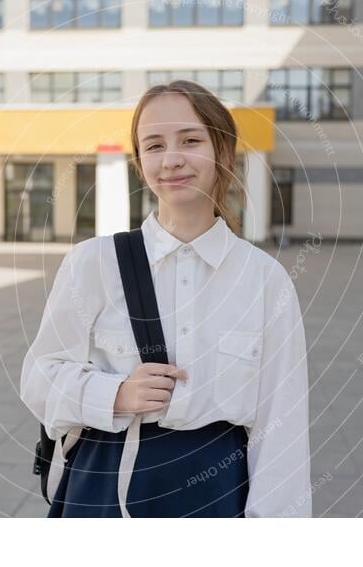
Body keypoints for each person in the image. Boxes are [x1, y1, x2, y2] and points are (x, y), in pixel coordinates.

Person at [20, 80, 312, 517]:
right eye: (154, 145)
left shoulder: (263, 280)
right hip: (102, 498)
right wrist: (115, 393)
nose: (171, 159)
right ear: (140, 164)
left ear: (223, 151)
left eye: (190, 140)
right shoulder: (93, 262)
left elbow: (281, 427)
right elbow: (39, 378)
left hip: (215, 500)